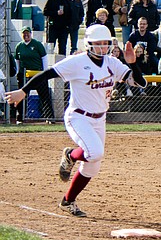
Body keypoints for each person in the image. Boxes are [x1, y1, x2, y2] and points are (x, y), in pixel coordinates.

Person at [5, 24, 147, 217]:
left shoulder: (112, 62)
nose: (103, 47)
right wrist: (23, 91)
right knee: (95, 152)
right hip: (78, 116)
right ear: (88, 44)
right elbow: (47, 74)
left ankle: (68, 201)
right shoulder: (76, 62)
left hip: (100, 119)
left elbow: (141, 82)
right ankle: (71, 155)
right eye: (98, 43)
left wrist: (133, 63)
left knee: (92, 166)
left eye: (106, 43)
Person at [14, 26, 55, 125]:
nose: (26, 35)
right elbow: (17, 61)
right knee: (21, 95)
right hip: (25, 75)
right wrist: (17, 73)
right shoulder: (19, 46)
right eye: (24, 33)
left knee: (44, 96)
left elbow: (44, 58)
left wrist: (45, 73)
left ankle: (50, 118)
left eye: (28, 33)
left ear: (31, 34)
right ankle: (20, 118)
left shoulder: (37, 45)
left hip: (38, 74)